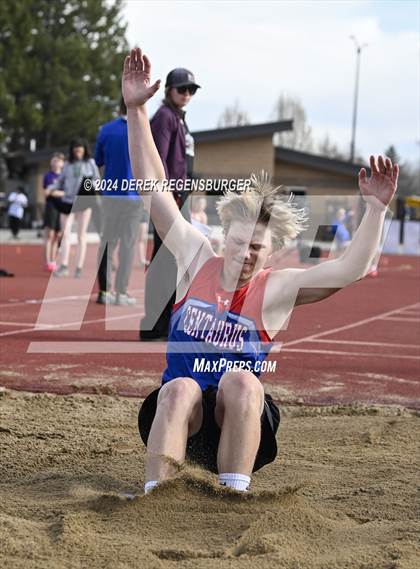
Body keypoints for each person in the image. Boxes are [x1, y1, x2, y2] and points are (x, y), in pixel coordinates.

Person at [123, 48, 399, 494]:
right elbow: (152, 190)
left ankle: (235, 492)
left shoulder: (278, 289)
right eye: (237, 242)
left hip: (240, 423)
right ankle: (156, 495)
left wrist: (375, 210)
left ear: (271, 253)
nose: (244, 253)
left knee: (242, 381)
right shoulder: (196, 257)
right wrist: (136, 109)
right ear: (222, 236)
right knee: (179, 387)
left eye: (255, 247)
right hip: (182, 420)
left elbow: (352, 267)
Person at [139, 65, 200, 340]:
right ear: (169, 91)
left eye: (191, 90)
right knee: (165, 260)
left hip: (180, 194)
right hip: (169, 196)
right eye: (182, 89)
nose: (187, 94)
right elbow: (157, 159)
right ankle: (154, 325)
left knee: (175, 260)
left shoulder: (179, 118)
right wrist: (167, 195)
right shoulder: (164, 116)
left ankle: (166, 323)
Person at [95, 98, 144, 306]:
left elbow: (98, 161)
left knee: (108, 242)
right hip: (133, 196)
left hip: (111, 195)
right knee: (128, 244)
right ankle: (122, 292)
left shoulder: (106, 130)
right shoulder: (143, 130)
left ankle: (104, 291)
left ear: (119, 107)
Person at [46, 139, 100, 278]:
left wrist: (91, 188)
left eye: (80, 148)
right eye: (75, 148)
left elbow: (97, 180)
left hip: (84, 201)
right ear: (72, 150)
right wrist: (51, 189)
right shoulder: (67, 165)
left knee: (82, 235)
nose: (78, 150)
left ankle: (79, 267)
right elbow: (59, 181)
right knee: (66, 234)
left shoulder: (90, 163)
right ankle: (64, 265)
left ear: (84, 149)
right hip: (68, 201)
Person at [42, 152, 65, 272]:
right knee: (49, 234)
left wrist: (55, 192)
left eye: (59, 160)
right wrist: (58, 192)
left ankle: (54, 260)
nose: (57, 163)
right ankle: (47, 260)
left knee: (58, 235)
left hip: (62, 207)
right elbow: (47, 192)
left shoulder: (65, 176)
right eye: (55, 160)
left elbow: (68, 193)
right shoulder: (48, 176)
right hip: (51, 206)